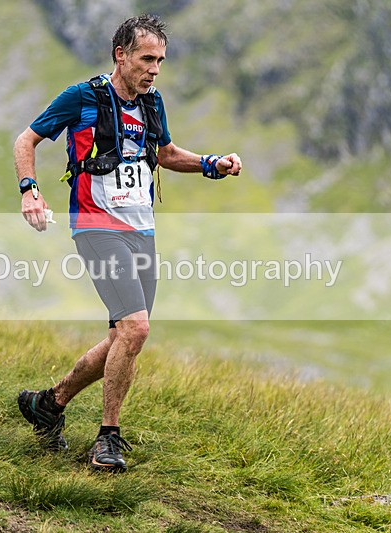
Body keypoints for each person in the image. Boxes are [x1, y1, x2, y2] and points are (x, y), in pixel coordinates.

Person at [13, 14, 241, 473]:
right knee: (136, 329)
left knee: (123, 336)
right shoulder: (83, 97)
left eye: (160, 61)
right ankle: (107, 438)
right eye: (146, 59)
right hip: (96, 227)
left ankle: (49, 404)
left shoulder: (153, 102)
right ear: (121, 55)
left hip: (142, 232)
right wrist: (29, 190)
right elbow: (26, 140)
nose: (154, 69)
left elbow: (166, 155)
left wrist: (212, 164)